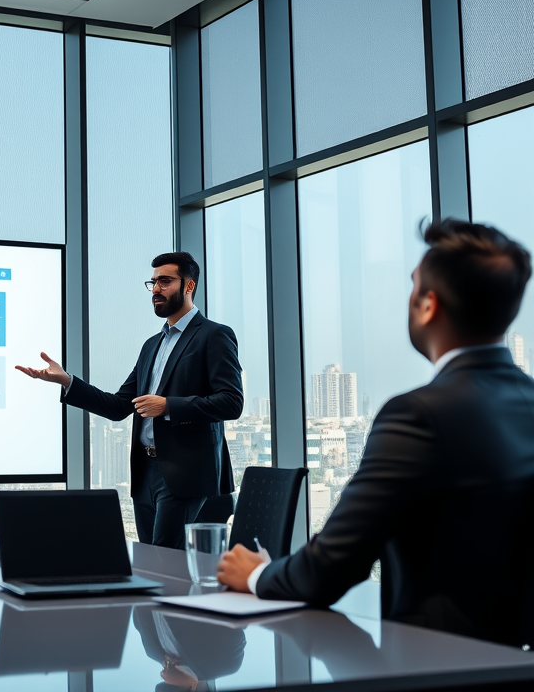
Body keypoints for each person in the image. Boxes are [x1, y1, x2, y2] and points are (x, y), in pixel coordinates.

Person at [218, 219, 534, 647]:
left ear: (428, 305)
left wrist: (254, 572)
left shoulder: (418, 414)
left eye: (412, 286)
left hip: (440, 668)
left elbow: (332, 567)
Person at [17, 252, 243, 548]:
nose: (156, 290)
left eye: (165, 281)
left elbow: (231, 402)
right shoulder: (152, 345)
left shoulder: (214, 335)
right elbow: (119, 406)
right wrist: (67, 381)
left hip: (185, 473)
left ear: (189, 286)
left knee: (164, 559)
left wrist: (168, 406)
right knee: (150, 561)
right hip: (145, 471)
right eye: (153, 283)